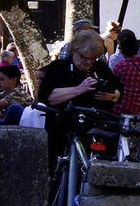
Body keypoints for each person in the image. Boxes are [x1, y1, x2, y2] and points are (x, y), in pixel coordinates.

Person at [39, 31, 121, 160]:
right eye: (84, 57)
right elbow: (46, 97)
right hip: (63, 130)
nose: (88, 62)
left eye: (93, 59)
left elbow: (119, 90)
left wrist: (111, 96)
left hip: (97, 128)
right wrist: (79, 89)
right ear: (74, 52)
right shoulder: (59, 68)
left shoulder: (99, 68)